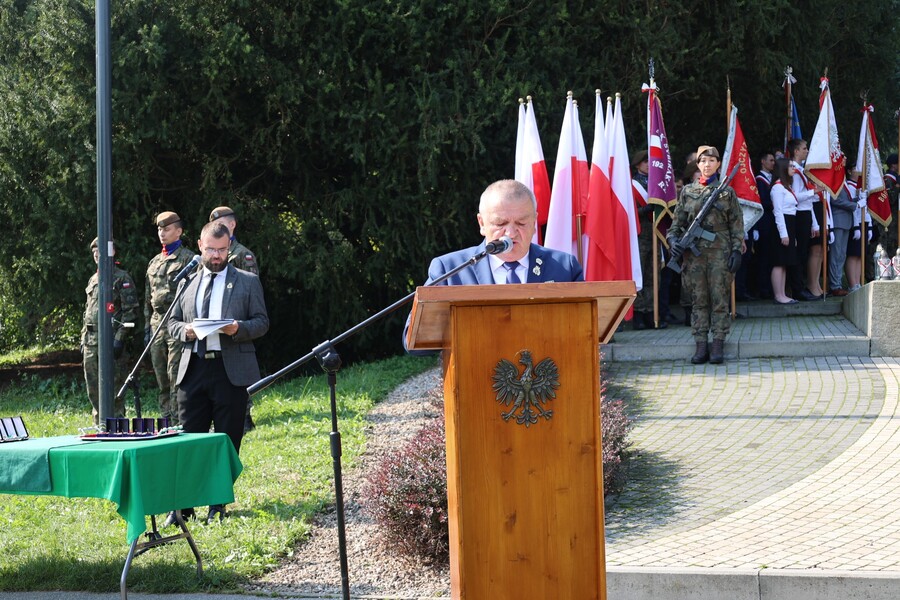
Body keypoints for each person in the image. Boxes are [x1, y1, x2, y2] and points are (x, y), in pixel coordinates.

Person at [166, 221, 269, 524]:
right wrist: (184, 331)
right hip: (194, 367)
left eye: (222, 250)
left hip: (230, 371)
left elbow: (262, 322)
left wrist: (238, 328)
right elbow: (170, 322)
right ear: (199, 245)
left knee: (227, 439)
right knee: (188, 441)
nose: (216, 255)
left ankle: (217, 504)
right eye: (211, 249)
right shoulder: (186, 282)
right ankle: (183, 507)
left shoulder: (247, 282)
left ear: (229, 247)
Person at [402, 179, 583, 352]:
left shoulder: (564, 267)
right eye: (500, 223)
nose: (511, 233)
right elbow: (414, 342)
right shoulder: (451, 269)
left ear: (534, 222)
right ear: (482, 223)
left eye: (521, 223)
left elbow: (584, 331)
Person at [667, 146, 743, 365]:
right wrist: (674, 243)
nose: (707, 165)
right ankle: (701, 345)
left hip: (720, 252)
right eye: (703, 161)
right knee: (698, 301)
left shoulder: (726, 192)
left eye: (712, 160)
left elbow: (736, 225)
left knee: (719, 299)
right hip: (694, 257)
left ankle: (717, 343)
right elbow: (676, 225)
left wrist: (737, 250)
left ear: (718, 164)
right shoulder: (687, 192)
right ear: (697, 165)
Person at [209, 205, 260, 432]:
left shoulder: (242, 254)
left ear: (232, 225)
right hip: (214, 326)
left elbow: (251, 290)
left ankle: (245, 415)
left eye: (223, 224)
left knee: (239, 370)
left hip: (237, 324)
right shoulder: (213, 253)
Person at [81, 238, 139, 425]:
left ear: (112, 252)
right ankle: (100, 427)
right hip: (91, 342)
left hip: (110, 341)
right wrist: (83, 340)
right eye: (94, 253)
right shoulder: (93, 278)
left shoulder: (121, 277)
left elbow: (131, 312)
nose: (97, 255)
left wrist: (119, 339)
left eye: (100, 251)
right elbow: (87, 311)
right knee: (93, 390)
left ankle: (117, 429)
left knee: (114, 391)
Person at [144, 211, 196, 423]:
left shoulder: (189, 259)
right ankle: (166, 418)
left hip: (177, 324)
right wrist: (147, 328)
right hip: (157, 325)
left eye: (166, 229)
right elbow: (148, 296)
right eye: (159, 229)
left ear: (179, 231)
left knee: (176, 376)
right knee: (161, 378)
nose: (161, 233)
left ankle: (179, 420)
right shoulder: (154, 262)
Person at [631, 150, 668, 330]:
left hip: (655, 233)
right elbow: (628, 213)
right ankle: (638, 313)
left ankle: (651, 313)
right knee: (641, 273)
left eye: (649, 161)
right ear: (638, 164)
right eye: (645, 162)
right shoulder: (632, 184)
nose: (647, 164)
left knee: (654, 275)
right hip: (640, 234)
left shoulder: (657, 183)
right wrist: (645, 210)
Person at [785, 139, 824, 300]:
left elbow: (808, 201)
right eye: (804, 148)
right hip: (798, 215)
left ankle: (802, 287)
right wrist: (813, 192)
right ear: (796, 151)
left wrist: (814, 223)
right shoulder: (792, 170)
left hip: (807, 213)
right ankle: (797, 289)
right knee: (799, 253)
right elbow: (794, 196)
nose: (807, 151)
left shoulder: (801, 170)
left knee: (803, 253)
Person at [769, 158, 799, 304]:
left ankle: (782, 294)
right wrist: (784, 234)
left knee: (785, 262)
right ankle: (778, 295)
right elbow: (778, 212)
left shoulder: (787, 187)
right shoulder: (778, 188)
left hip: (790, 224)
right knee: (779, 261)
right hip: (782, 226)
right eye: (791, 166)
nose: (794, 168)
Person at [826, 166, 858, 296]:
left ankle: (837, 283)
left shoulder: (842, 180)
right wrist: (854, 205)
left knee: (841, 255)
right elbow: (835, 200)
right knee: (836, 254)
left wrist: (858, 199)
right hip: (838, 220)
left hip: (845, 221)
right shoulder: (835, 179)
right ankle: (835, 285)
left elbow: (845, 200)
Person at [752, 151, 777, 299]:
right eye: (771, 160)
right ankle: (762, 288)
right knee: (763, 257)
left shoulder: (772, 178)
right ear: (763, 161)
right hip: (763, 222)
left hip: (771, 221)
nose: (773, 163)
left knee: (769, 256)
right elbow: (761, 202)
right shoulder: (760, 180)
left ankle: (768, 287)